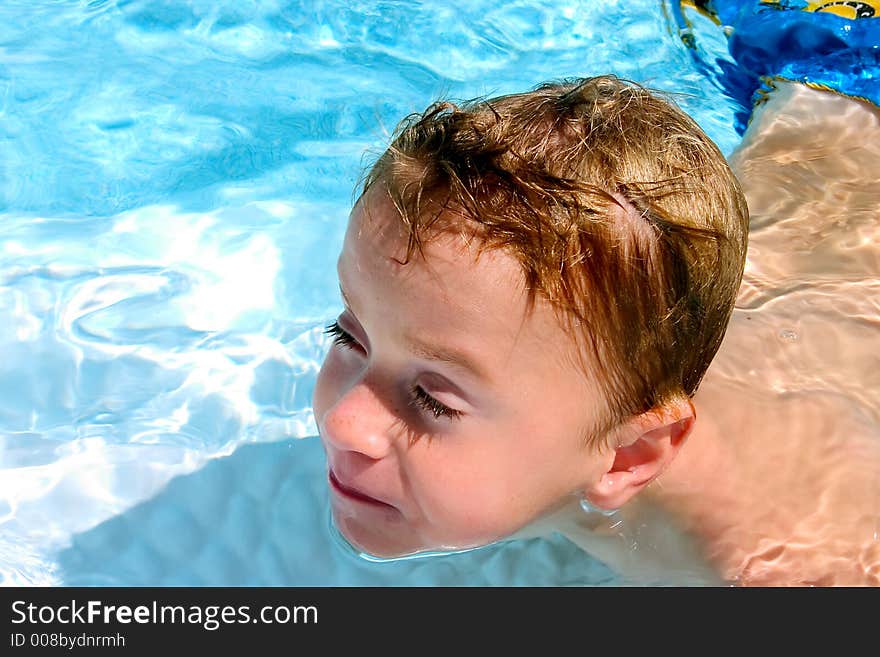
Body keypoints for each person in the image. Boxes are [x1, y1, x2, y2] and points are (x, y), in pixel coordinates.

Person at [311, 2, 880, 586]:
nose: (341, 422)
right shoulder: (562, 400)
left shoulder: (790, 566)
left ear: (630, 457)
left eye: (433, 399)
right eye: (348, 336)